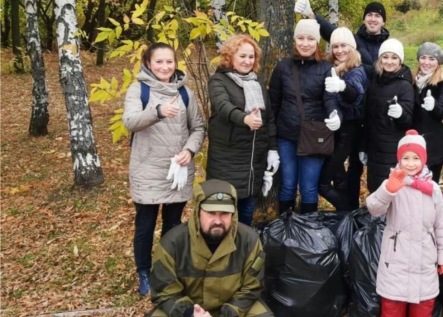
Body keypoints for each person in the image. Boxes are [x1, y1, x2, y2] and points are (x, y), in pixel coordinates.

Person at [123, 42, 205, 296]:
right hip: (147, 169)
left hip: (177, 171)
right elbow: (130, 122)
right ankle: (144, 272)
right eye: (159, 62)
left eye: (169, 62)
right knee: (145, 225)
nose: (164, 66)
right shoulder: (139, 89)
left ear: (175, 64)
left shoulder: (185, 93)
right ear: (148, 63)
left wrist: (189, 150)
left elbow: (198, 128)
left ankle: (168, 269)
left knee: (173, 225)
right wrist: (157, 111)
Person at [295, 0, 391, 205]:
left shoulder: (388, 45)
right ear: (364, 19)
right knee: (338, 172)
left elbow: (392, 70)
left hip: (368, 118)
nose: (373, 19)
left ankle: (351, 210)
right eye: (369, 15)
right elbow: (336, 36)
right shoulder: (353, 43)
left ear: (383, 21)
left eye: (377, 16)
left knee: (356, 169)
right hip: (343, 120)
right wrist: (312, 16)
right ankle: (347, 212)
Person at [147, 179, 273, 317]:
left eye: (224, 213)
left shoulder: (250, 241)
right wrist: (189, 312)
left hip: (233, 309)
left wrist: (228, 314)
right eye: (211, 213)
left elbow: (252, 287)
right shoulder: (172, 243)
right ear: (198, 212)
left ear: (233, 214)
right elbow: (165, 291)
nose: (218, 221)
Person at [366, 130, 443, 317]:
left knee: (422, 310)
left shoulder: (433, 189)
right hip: (396, 263)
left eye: (416, 158)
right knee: (391, 310)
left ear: (424, 159)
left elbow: (442, 225)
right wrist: (387, 191)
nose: (411, 163)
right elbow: (374, 208)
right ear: (398, 160)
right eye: (405, 158)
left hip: (425, 264)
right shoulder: (392, 184)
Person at [269, 19, 341, 214]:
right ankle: (286, 227)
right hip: (286, 136)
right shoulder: (283, 67)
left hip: (314, 137)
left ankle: (307, 230)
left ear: (317, 42)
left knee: (309, 187)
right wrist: (271, 143)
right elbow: (273, 105)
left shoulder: (326, 68)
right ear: (295, 40)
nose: (305, 43)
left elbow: (331, 100)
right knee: (288, 184)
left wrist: (336, 115)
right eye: (301, 38)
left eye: (310, 39)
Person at [207, 35, 278, 227]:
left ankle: (243, 250)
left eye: (251, 57)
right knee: (224, 211)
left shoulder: (258, 83)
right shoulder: (218, 81)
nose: (247, 61)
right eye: (242, 56)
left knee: (247, 210)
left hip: (254, 159)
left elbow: (268, 117)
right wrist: (244, 118)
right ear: (230, 56)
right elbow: (222, 106)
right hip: (228, 158)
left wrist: (272, 149)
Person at [319, 28, 368, 211]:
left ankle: (349, 213)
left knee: (323, 183)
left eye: (343, 46)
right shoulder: (332, 68)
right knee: (339, 180)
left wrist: (342, 87)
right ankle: (346, 219)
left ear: (352, 47)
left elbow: (355, 93)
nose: (339, 50)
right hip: (334, 132)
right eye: (335, 46)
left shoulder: (356, 71)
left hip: (349, 132)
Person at [364, 38, 415, 193]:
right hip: (374, 147)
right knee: (375, 190)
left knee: (391, 191)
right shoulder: (374, 82)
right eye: (385, 57)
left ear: (400, 60)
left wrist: (401, 113)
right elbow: (367, 118)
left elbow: (408, 120)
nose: (389, 61)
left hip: (392, 149)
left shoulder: (405, 85)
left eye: (394, 57)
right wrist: (363, 146)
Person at [411, 42, 443, 183]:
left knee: (428, 190)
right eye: (423, 57)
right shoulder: (409, 83)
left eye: (432, 59)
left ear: (438, 62)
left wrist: (433, 107)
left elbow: (441, 113)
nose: (426, 62)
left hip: (433, 148)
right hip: (411, 146)